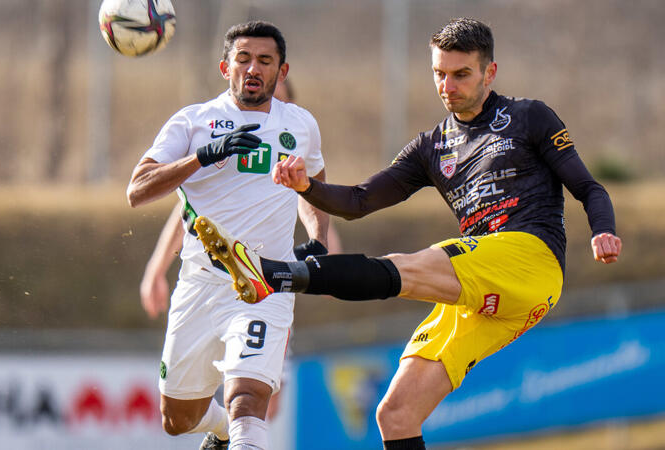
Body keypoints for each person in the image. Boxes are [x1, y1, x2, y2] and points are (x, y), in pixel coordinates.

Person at [194, 18, 622, 450]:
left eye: (461, 74)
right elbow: (360, 200)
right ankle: (274, 276)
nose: (447, 86)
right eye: (439, 73)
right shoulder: (431, 147)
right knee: (395, 414)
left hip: (530, 260)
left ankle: (274, 275)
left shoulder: (530, 117)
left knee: (409, 266)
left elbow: (589, 187)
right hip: (481, 290)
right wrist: (308, 188)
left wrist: (603, 230)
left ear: (489, 73)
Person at [127, 21, 330, 450]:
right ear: (225, 67)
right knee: (177, 419)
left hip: (263, 283)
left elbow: (313, 184)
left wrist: (317, 237)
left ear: (283, 70)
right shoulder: (193, 121)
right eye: (243, 59)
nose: (252, 68)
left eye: (264, 60)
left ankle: (236, 433)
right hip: (199, 283)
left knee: (248, 398)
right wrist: (201, 157)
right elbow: (138, 189)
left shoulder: (301, 124)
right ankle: (218, 433)